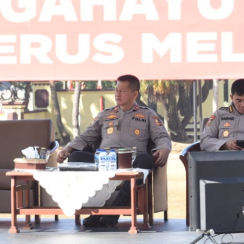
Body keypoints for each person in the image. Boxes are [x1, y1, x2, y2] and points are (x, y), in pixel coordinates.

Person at [56, 74, 172, 227]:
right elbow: (85, 136)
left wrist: (164, 148)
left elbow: (162, 136)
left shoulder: (147, 115)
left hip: (131, 162)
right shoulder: (105, 114)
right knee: (75, 157)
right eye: (116, 90)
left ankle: (114, 211)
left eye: (122, 91)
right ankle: (96, 211)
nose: (117, 94)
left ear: (134, 94)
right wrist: (68, 148)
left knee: (145, 159)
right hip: (104, 161)